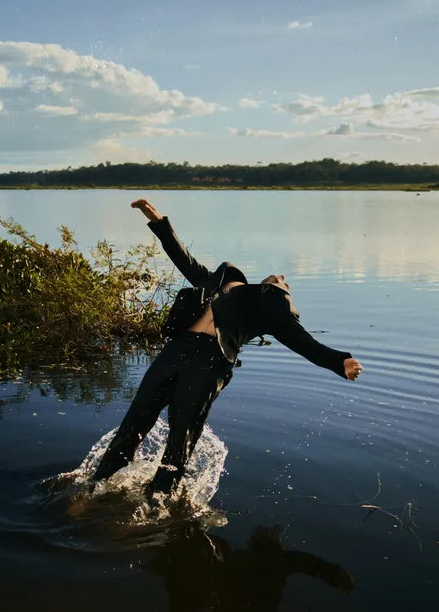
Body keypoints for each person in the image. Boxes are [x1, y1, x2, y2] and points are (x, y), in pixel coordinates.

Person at [92, 199, 363, 494]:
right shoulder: (220, 282)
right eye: (282, 277)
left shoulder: (271, 307)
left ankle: (156, 504)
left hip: (208, 363)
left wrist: (339, 362)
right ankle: (94, 489)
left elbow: (303, 342)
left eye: (286, 283)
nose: (283, 277)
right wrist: (158, 222)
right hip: (176, 351)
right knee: (133, 423)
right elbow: (184, 259)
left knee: (179, 439)